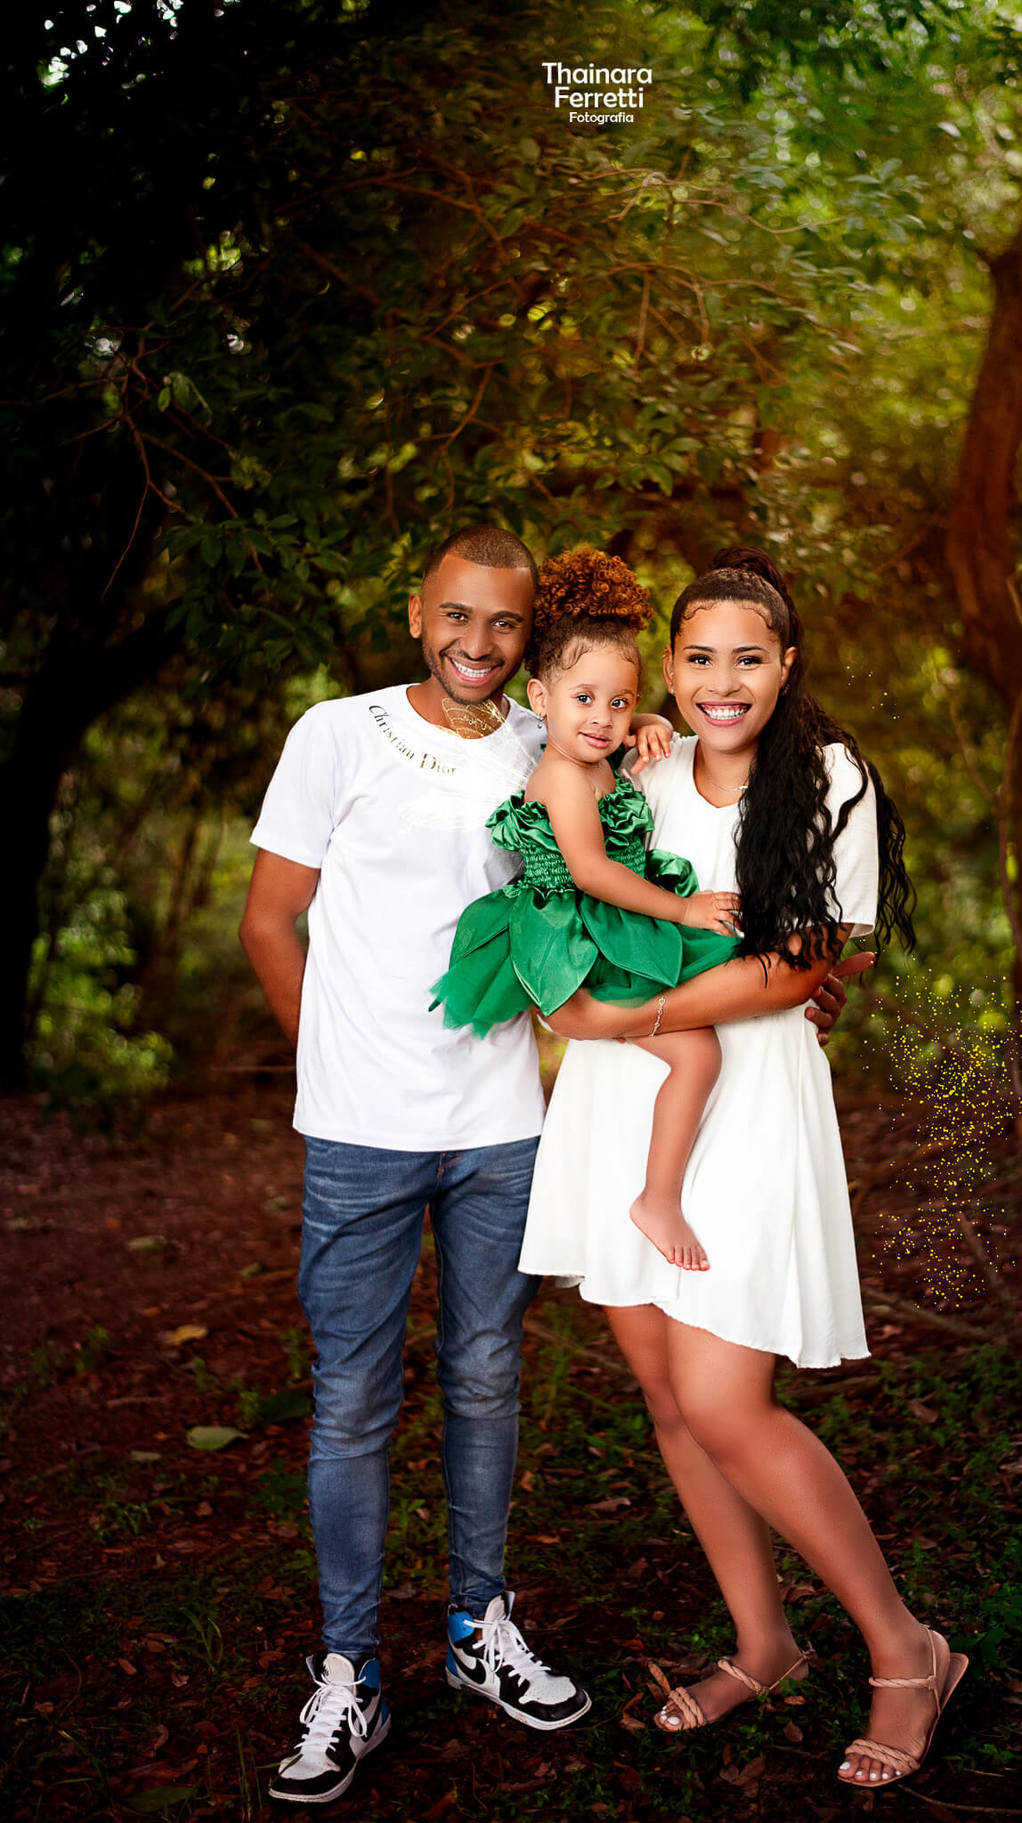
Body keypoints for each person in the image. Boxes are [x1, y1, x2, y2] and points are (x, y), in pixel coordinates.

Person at [520, 552, 969, 1789]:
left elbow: (806, 962)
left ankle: (907, 1650)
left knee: (727, 1401)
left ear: (787, 664)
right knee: (671, 1399)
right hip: (622, 1105)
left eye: (749, 658)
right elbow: (567, 863)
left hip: (743, 1097)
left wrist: (635, 1016)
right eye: (700, 657)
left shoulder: (828, 778)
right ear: (669, 667)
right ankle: (764, 1641)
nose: (724, 681)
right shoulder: (637, 765)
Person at [239, 527, 591, 1807]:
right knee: (351, 1399)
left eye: (504, 622)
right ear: (415, 613)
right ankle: (351, 1669)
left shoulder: (547, 741)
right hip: (360, 1134)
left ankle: (478, 1628)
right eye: (457, 614)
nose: (477, 642)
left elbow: (617, 858)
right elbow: (269, 918)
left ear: (528, 634)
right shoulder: (337, 734)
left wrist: (645, 732)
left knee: (488, 1376)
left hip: (500, 1125)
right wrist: (333, 1066)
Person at [433, 548, 744, 1273]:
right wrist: (682, 910)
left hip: (605, 920)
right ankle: (657, 1199)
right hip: (575, 933)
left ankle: (811, 984)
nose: (603, 718)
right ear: (540, 698)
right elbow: (592, 871)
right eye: (584, 700)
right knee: (699, 1049)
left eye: (620, 702)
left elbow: (612, 726)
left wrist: (651, 722)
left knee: (719, 1001)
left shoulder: (593, 749)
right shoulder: (563, 776)